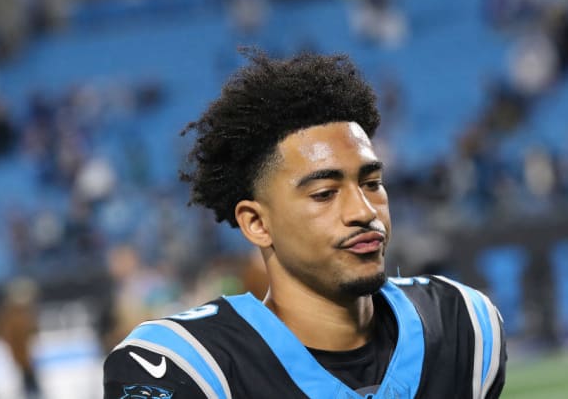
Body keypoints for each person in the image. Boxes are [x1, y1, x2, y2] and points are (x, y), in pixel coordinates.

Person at [103, 50, 506, 399]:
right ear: (257, 223)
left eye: (372, 183)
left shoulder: (463, 325)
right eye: (324, 193)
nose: (364, 211)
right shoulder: (185, 368)